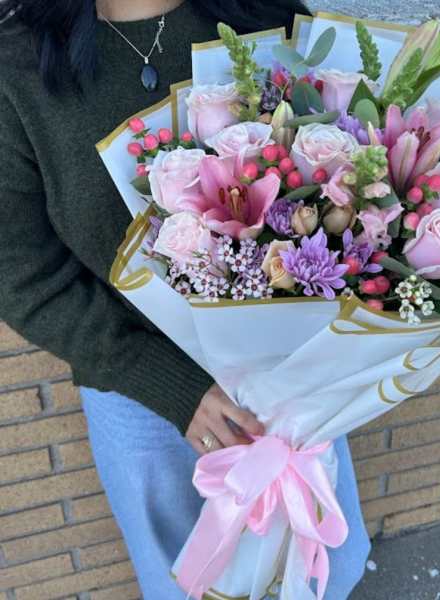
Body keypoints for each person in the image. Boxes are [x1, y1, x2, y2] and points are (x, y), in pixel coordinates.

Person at [0, 1, 371, 598]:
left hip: (291, 385)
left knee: (320, 567)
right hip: (140, 390)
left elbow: (345, 187)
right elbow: (22, 274)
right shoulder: (18, 70)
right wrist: (167, 383)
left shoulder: (264, 15)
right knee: (190, 582)